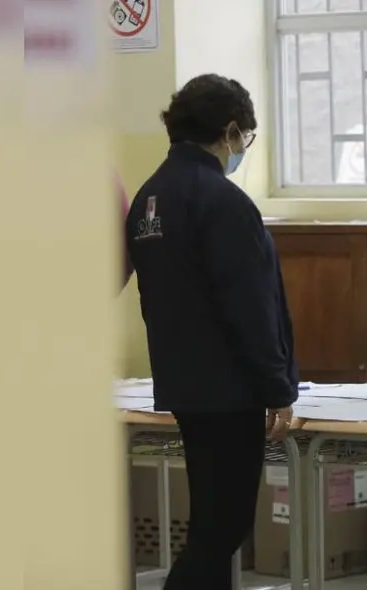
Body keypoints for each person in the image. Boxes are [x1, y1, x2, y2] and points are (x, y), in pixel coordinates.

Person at [126, 74, 298, 590]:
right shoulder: (221, 200)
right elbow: (249, 305)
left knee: (211, 522)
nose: (243, 146)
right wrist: (277, 387)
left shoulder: (149, 197)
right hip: (230, 387)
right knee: (222, 529)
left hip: (184, 380)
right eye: (246, 135)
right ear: (230, 131)